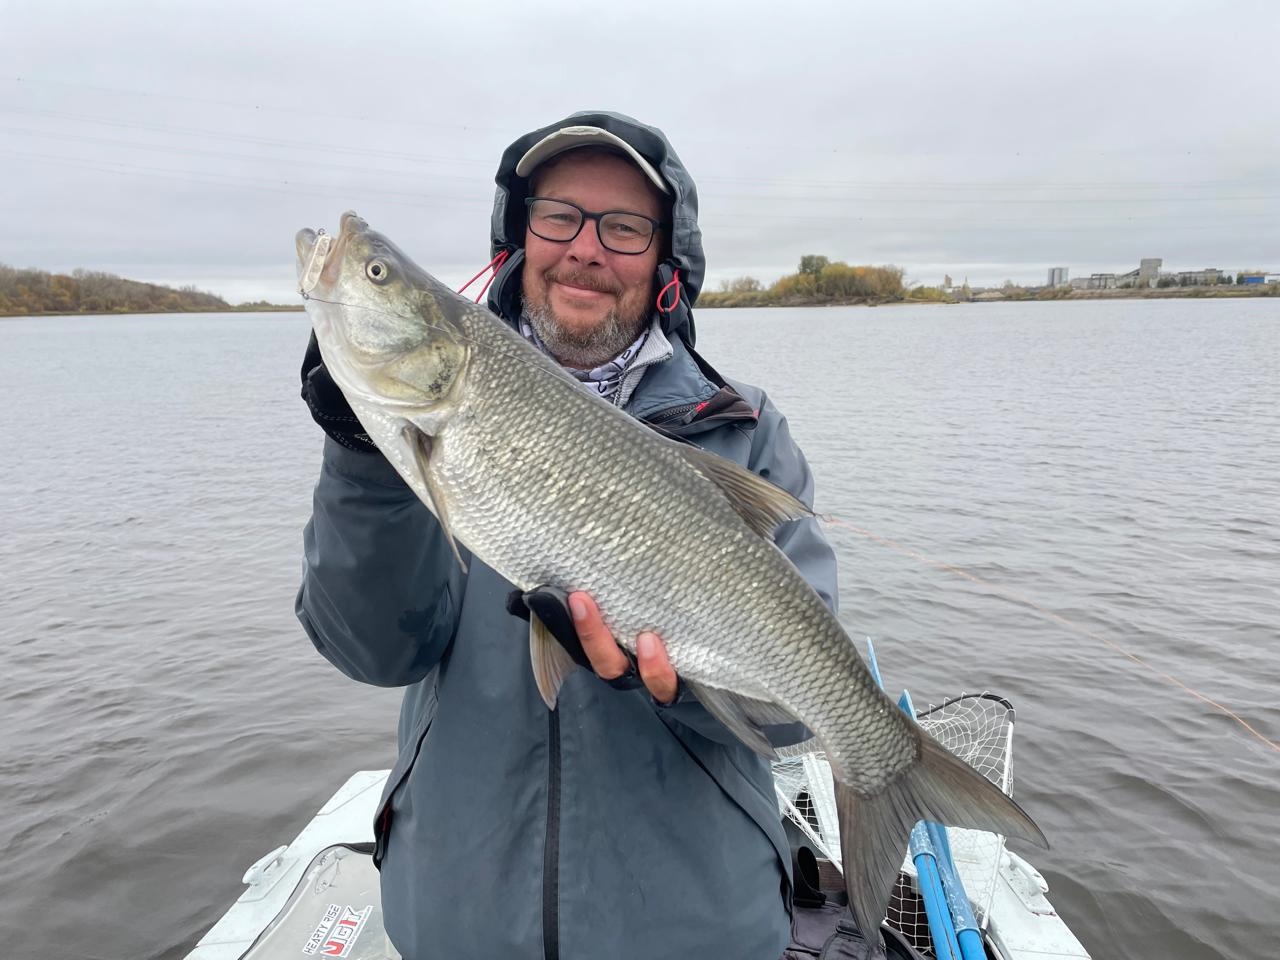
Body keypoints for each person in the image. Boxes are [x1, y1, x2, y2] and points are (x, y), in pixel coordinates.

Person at [297, 111, 839, 960]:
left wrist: (681, 686)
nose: (586, 247)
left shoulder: (748, 433)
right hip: (459, 926)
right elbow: (374, 651)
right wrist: (364, 456)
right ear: (520, 237)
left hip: (699, 935)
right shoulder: (436, 414)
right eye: (559, 216)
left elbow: (787, 720)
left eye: (624, 227)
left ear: (667, 258)